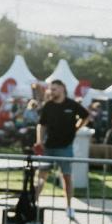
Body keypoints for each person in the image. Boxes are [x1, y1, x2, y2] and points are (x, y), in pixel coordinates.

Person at [34, 78, 90, 213]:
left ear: (62, 88)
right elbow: (41, 124)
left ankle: (69, 206)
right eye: (50, 89)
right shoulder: (48, 105)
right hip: (49, 147)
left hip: (65, 147)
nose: (51, 91)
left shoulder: (72, 105)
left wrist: (76, 128)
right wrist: (39, 141)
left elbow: (86, 116)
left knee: (67, 177)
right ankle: (33, 202)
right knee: (42, 175)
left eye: (54, 89)